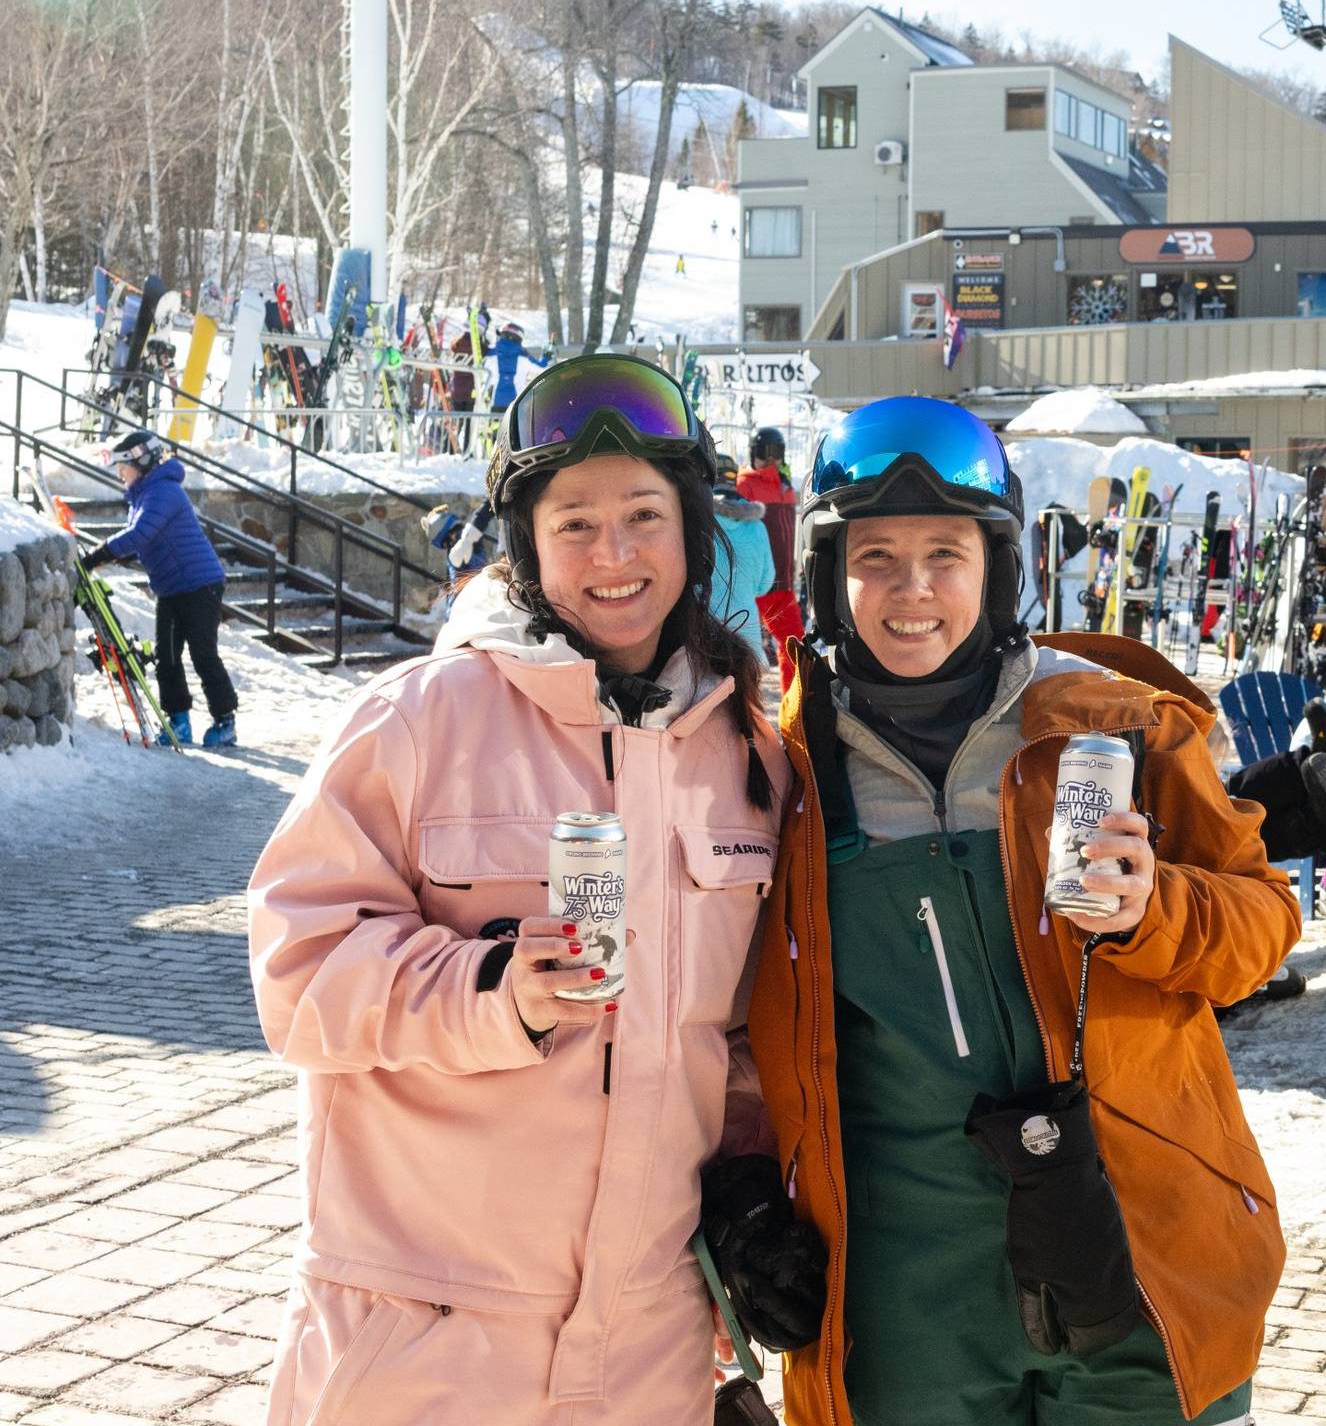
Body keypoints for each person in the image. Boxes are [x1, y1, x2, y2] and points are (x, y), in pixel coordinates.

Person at [248, 355, 798, 1425]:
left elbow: (740, 1039)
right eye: (575, 523)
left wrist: (743, 1189)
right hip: (426, 1339)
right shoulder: (417, 720)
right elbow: (298, 971)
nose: (615, 555)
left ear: (692, 532)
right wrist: (494, 989)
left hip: (649, 1351)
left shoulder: (746, 755)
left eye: (644, 516)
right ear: (528, 545)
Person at [747, 394, 1300, 1426]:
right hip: (908, 1292)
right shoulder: (781, 772)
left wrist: (1155, 910)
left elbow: (1261, 927)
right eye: (875, 557)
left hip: (1139, 1251)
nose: (912, 590)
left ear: (998, 568)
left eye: (946, 555)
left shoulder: (1115, 723)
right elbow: (734, 1018)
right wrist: (744, 1194)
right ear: (826, 576)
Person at [80, 430, 237, 748]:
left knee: (203, 654)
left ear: (141, 462)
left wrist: (99, 554)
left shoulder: (164, 491)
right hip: (170, 587)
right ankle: (179, 721)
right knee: (167, 656)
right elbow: (144, 539)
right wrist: (112, 556)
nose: (120, 474)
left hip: (200, 584)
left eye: (123, 466)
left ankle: (225, 721)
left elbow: (140, 533)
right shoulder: (143, 494)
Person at [735, 425, 804, 693]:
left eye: (777, 452)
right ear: (754, 453)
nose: (772, 458)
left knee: (795, 647)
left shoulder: (786, 488)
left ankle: (793, 706)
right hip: (754, 584)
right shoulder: (745, 485)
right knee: (744, 652)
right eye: (766, 452)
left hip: (782, 584)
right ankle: (743, 708)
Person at [709, 454, 775, 651]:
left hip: (704, 634)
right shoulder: (758, 527)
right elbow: (765, 584)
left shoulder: (696, 521)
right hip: (748, 635)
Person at [490, 321, 549, 416]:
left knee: (494, 424)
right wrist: (546, 357)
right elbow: (542, 367)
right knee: (511, 425)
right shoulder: (524, 357)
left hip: (493, 404)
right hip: (515, 404)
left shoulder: (490, 354)